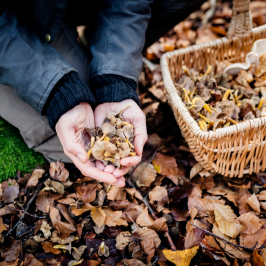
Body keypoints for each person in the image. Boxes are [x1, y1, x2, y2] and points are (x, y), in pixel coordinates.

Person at [0, 0, 204, 187]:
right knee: (66, 150)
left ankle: (100, 49)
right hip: (8, 34)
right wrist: (58, 93)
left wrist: (114, 82)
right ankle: (86, 56)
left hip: (54, 7)